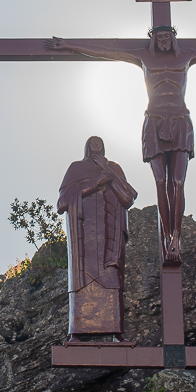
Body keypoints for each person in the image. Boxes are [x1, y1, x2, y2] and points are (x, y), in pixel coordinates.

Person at [46, 28, 196, 266]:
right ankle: (166, 236)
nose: (163, 41)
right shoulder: (143, 56)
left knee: (178, 182)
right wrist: (68, 45)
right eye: (158, 37)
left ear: (173, 39)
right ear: (153, 40)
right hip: (154, 122)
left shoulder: (186, 55)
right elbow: (105, 51)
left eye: (167, 37)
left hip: (180, 120)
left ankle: (175, 237)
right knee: (160, 182)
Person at [57, 136, 137, 340]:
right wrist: (95, 183)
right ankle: (77, 333)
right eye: (92, 143)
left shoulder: (114, 167)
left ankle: (116, 333)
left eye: (99, 142)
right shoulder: (76, 167)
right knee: (83, 280)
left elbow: (128, 198)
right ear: (86, 147)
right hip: (85, 236)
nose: (96, 145)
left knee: (111, 279)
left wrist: (109, 175)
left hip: (110, 234)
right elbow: (62, 202)